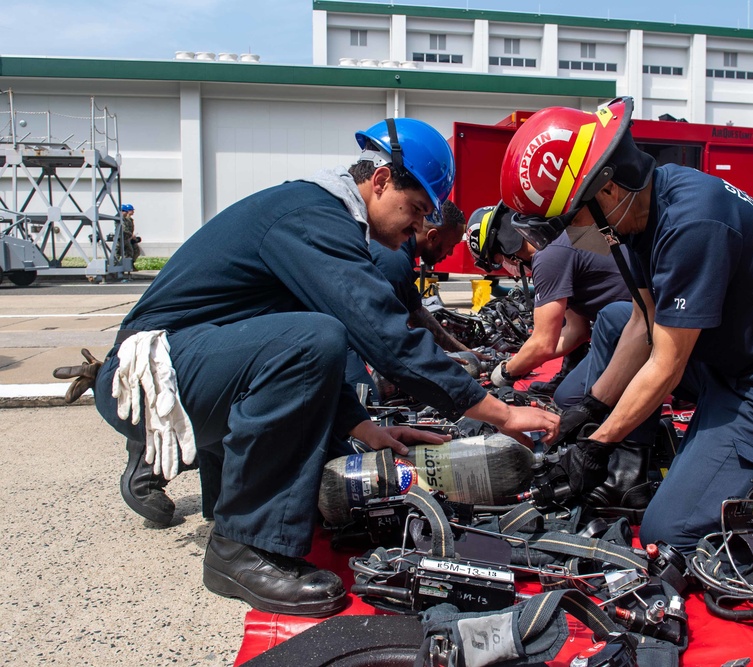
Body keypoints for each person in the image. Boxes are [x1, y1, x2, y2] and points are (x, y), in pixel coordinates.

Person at [78, 117, 558, 616]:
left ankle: (234, 510)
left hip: (191, 365)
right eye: (416, 210)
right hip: (148, 380)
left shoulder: (318, 217)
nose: (419, 227)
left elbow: (290, 344)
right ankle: (238, 549)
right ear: (381, 181)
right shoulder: (312, 216)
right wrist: (497, 413)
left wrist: (362, 426)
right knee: (316, 337)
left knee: (311, 339)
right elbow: (379, 332)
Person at [499, 97, 753, 553]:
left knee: (671, 531)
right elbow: (642, 327)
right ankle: (633, 477)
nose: (569, 237)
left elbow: (665, 364)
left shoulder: (691, 223)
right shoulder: (635, 216)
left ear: (605, 189)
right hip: (727, 360)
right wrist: (589, 408)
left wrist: (596, 444)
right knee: (612, 318)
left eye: (570, 222)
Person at [466, 203, 631, 401]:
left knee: (568, 399)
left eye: (499, 261)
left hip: (632, 328)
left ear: (505, 248)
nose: (506, 268)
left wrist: (505, 371)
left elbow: (544, 343)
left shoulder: (547, 257)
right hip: (631, 319)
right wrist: (520, 361)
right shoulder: (557, 241)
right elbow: (576, 331)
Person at [344, 199, 479, 398]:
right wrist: (436, 359)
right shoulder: (393, 261)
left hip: (349, 337)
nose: (450, 253)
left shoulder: (399, 254)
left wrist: (464, 350)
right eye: (449, 246)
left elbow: (417, 313)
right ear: (433, 237)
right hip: (341, 343)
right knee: (369, 405)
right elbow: (391, 335)